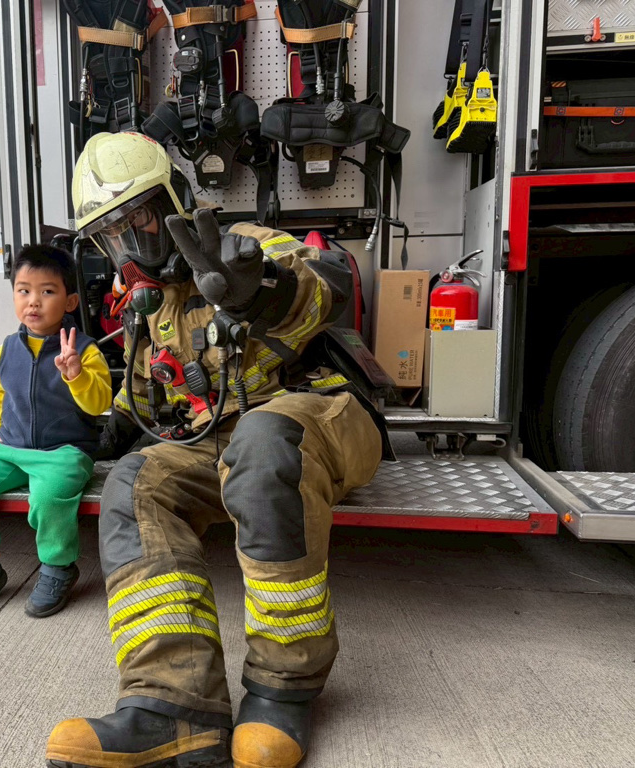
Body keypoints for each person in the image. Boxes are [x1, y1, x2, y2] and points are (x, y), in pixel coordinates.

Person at [46, 132, 393, 768]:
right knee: (133, 484)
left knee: (261, 445)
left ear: (175, 198)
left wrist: (258, 291)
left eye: (139, 220)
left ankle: (283, 687)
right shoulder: (148, 309)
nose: (130, 247)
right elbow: (145, 392)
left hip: (315, 414)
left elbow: (328, 288)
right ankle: (174, 708)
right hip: (220, 438)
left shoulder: (248, 244)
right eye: (111, 236)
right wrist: (107, 429)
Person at [0, 244, 113, 619]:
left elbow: (99, 403)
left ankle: (57, 567)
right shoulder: (6, 349)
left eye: (47, 291)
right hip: (9, 446)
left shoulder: (85, 351)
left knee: (50, 499)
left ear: (70, 301)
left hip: (64, 451)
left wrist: (76, 375)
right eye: (24, 291)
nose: (33, 301)